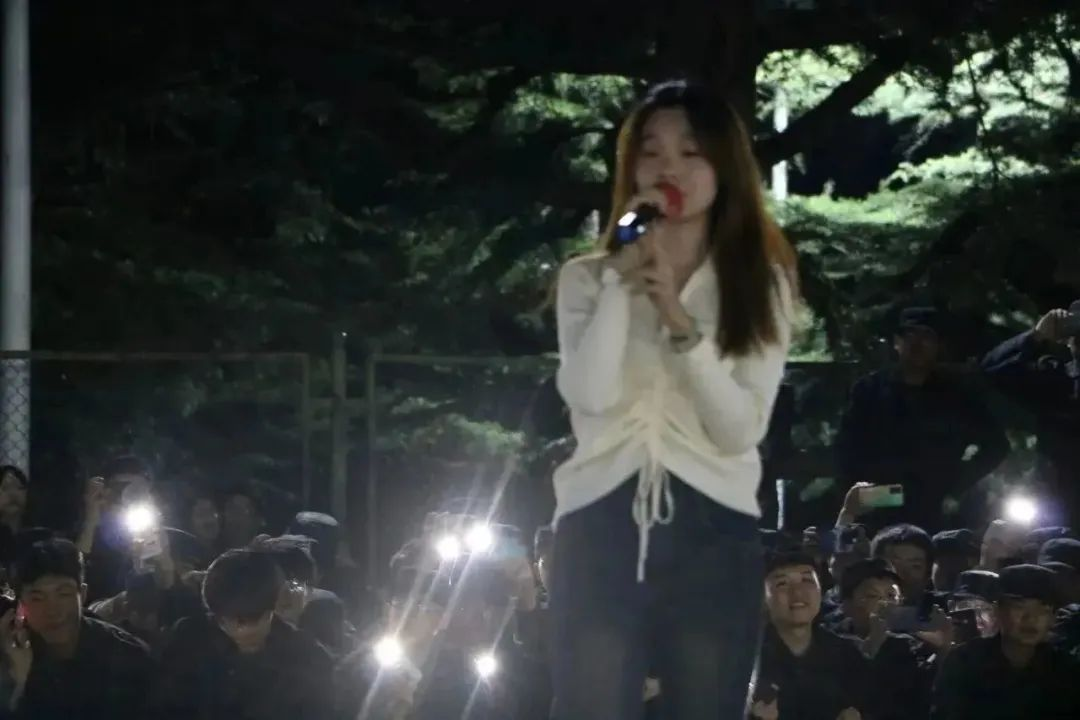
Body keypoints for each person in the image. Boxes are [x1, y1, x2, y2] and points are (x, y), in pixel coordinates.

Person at [550, 79, 797, 720]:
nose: (669, 168)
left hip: (713, 525)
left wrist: (679, 322)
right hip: (600, 518)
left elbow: (738, 429)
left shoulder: (760, 285)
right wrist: (624, 284)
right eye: (652, 152)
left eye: (692, 152)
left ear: (725, 167)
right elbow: (589, 394)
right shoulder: (586, 278)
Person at [836, 307, 1009, 529]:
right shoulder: (869, 390)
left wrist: (957, 485)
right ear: (896, 342)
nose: (917, 344)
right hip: (881, 501)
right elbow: (846, 449)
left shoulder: (957, 394)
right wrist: (861, 496)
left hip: (935, 503)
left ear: (937, 345)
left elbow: (996, 445)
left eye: (926, 336)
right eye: (909, 335)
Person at [154, 548, 335, 720]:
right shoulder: (188, 642)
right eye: (224, 620)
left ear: (272, 608)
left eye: (248, 620)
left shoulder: (308, 659)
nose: (236, 629)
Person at [0, 537, 152, 719]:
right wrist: (16, 686)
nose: (52, 610)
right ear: (21, 605)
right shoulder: (11, 655)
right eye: (37, 598)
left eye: (63, 594)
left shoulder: (126, 656)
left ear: (83, 594)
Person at [932, 564, 1080, 719]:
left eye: (1043, 609)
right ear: (998, 610)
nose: (1030, 618)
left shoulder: (1067, 672)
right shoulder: (965, 662)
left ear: (1053, 618)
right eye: (1019, 607)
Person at [982, 302, 1080, 525]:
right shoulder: (1056, 379)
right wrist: (1035, 337)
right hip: (1061, 500)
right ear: (1069, 340)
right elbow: (992, 372)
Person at [752, 550, 869, 720]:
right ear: (762, 597)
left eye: (807, 580)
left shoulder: (847, 654)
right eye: (782, 584)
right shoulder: (747, 657)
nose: (798, 593)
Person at [831, 558, 931, 719]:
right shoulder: (830, 645)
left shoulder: (914, 646)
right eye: (872, 596)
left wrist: (944, 651)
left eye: (891, 596)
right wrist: (871, 648)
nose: (885, 604)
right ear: (847, 605)